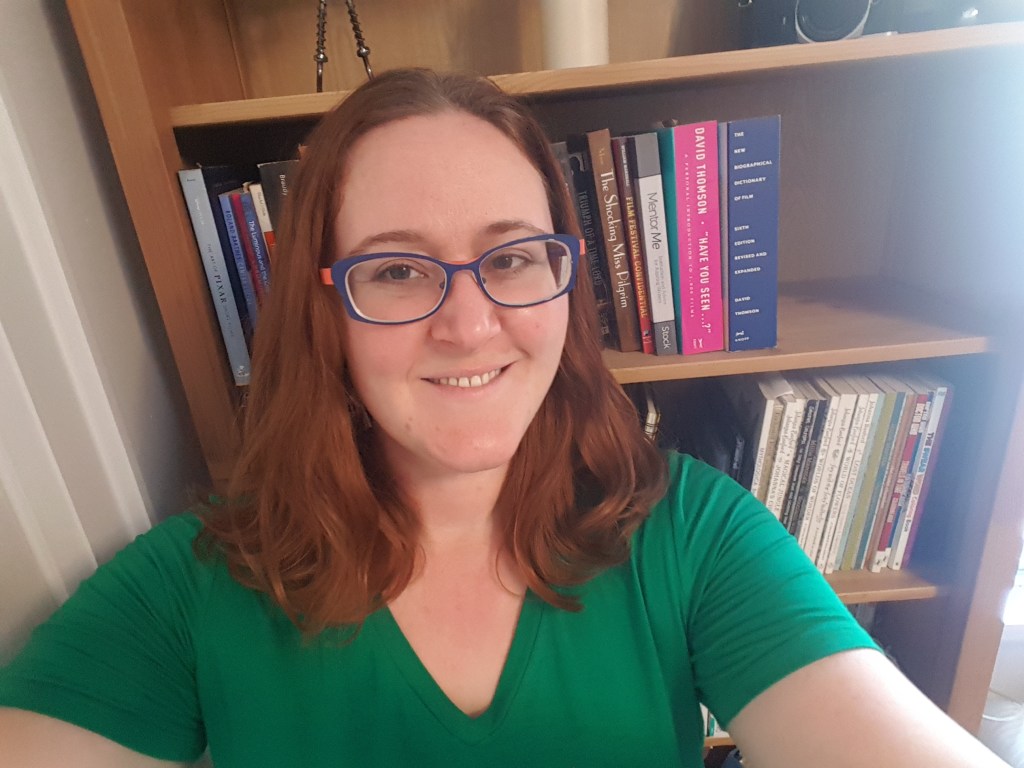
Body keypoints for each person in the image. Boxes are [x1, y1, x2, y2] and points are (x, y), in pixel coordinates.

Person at [0, 68, 1008, 768]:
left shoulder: (690, 535)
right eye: (396, 270)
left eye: (513, 257)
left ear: (565, 283)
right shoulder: (187, 591)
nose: (470, 323)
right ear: (326, 314)